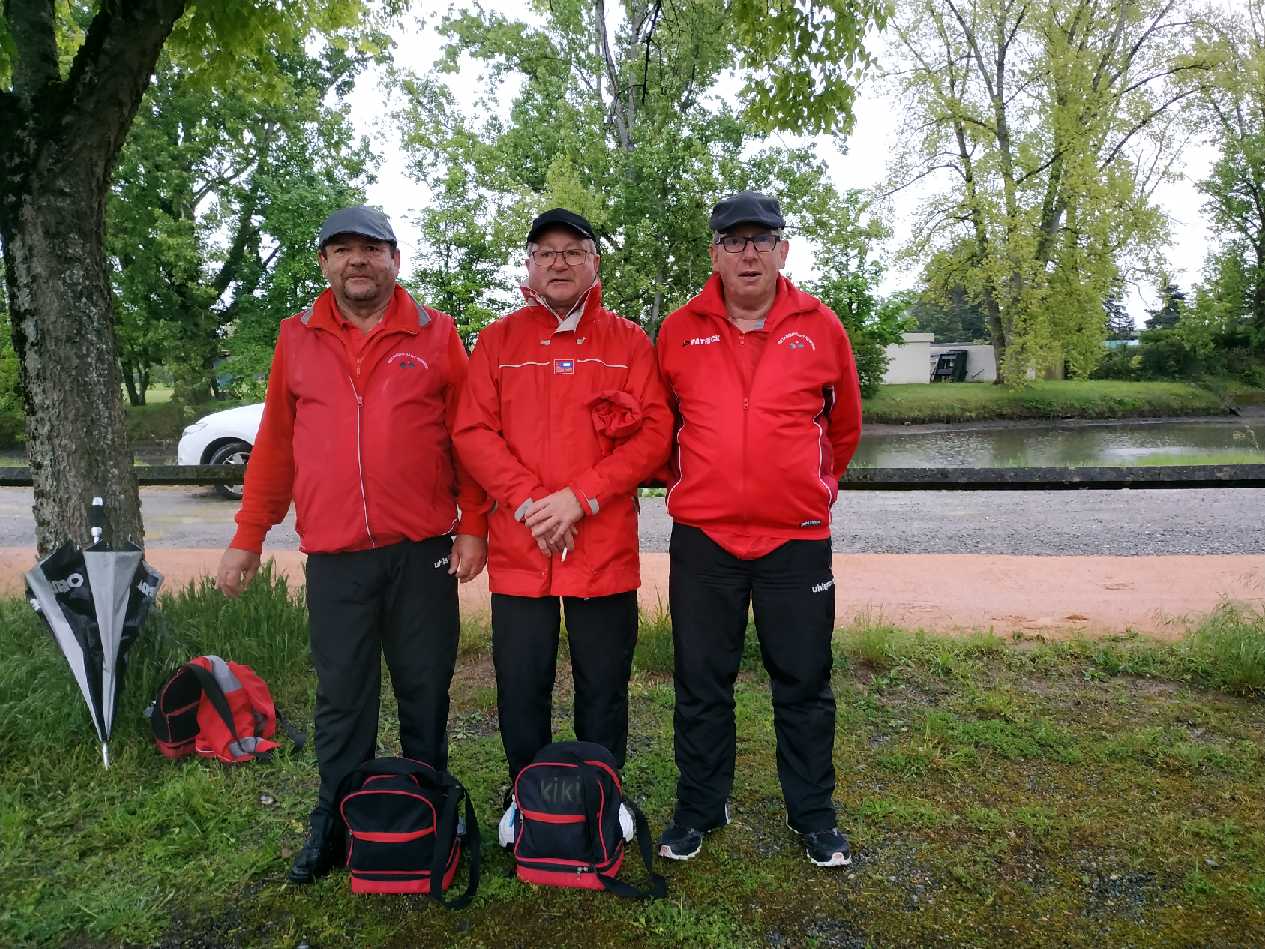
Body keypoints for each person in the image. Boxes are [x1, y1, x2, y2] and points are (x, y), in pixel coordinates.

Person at [215, 205, 488, 884]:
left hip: (420, 550)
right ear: (323, 264)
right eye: (341, 249)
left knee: (424, 688)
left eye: (371, 248)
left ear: (396, 258)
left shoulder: (436, 333)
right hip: (336, 558)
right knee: (342, 698)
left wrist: (475, 523)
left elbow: (468, 437)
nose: (357, 260)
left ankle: (429, 811)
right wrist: (248, 535)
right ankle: (335, 820)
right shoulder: (296, 337)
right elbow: (275, 445)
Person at [654, 191, 863, 867]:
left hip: (794, 540)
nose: (748, 251)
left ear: (783, 250)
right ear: (712, 252)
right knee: (699, 680)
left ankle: (812, 813)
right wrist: (692, 484)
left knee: (803, 681)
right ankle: (699, 805)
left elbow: (844, 425)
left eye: (760, 238)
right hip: (704, 540)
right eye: (733, 239)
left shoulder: (821, 326)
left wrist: (816, 489)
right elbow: (662, 429)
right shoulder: (678, 328)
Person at [453, 208, 672, 830]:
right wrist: (529, 501)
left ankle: (602, 794)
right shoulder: (498, 341)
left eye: (572, 251)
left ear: (593, 264)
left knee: (604, 685)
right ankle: (526, 797)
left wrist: (581, 497)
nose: (558, 261)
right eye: (544, 251)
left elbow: (654, 433)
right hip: (522, 547)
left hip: (600, 546)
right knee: (521, 685)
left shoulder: (628, 342)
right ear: (528, 267)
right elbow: (472, 431)